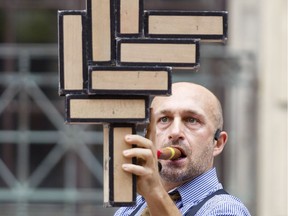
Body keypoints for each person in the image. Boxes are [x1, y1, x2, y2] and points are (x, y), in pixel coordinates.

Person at [114, 82, 251, 216]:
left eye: (191, 120)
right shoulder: (129, 210)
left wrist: (154, 191)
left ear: (218, 143)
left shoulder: (226, 209)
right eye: (164, 119)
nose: (175, 132)